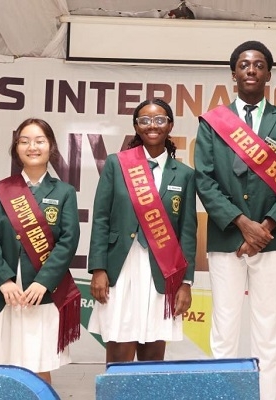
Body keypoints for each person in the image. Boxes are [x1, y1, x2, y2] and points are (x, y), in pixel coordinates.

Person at [194, 40, 276, 400]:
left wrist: (267, 227)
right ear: (234, 74)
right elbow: (205, 180)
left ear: (269, 74)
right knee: (224, 328)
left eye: (259, 65)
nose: (251, 70)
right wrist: (243, 223)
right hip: (228, 237)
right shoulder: (213, 121)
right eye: (244, 65)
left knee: (268, 331)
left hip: (273, 240)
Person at [87, 98, 196, 363]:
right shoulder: (117, 164)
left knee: (153, 350)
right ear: (136, 126)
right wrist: (99, 268)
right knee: (120, 344)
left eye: (159, 119)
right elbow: (101, 218)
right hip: (120, 266)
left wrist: (186, 282)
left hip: (162, 268)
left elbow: (187, 232)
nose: (152, 126)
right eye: (145, 120)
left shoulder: (184, 174)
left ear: (170, 125)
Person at [0, 118, 81, 385]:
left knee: (38, 364)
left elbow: (68, 243)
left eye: (39, 141)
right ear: (16, 148)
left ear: (51, 147)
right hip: (5, 294)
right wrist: (3, 281)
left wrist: (43, 283)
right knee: (0, 366)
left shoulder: (64, 192)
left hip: (42, 294)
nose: (31, 146)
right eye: (24, 141)